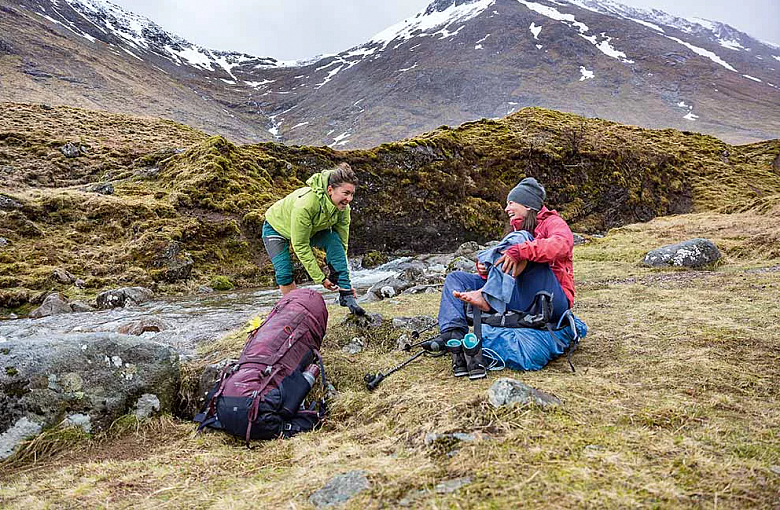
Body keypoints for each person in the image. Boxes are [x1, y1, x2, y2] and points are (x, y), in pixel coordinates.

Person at [436, 177, 575, 379]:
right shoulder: (516, 231)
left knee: (522, 241)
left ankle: (486, 296)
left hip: (551, 299)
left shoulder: (553, 223)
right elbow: (507, 269)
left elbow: (561, 245)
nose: (506, 208)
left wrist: (521, 250)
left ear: (527, 204)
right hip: (517, 295)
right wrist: (485, 269)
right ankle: (453, 336)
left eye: (511, 203)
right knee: (456, 279)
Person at [262, 162, 366, 315]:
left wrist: (343, 279)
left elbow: (341, 245)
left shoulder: (343, 208)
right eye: (345, 193)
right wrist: (321, 278)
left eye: (352, 194)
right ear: (330, 190)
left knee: (334, 240)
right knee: (284, 273)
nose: (349, 199)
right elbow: (301, 245)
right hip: (276, 228)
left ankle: (346, 296)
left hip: (312, 229)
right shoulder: (306, 205)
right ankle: (294, 311)